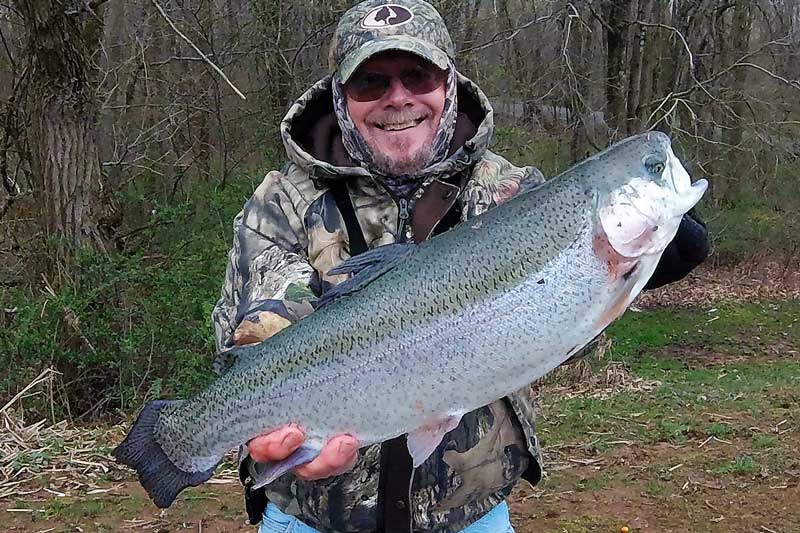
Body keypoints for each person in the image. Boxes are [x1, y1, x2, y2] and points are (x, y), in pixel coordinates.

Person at [211, 1, 710, 532]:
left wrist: (636, 265)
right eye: (371, 83)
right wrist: (256, 412)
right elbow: (263, 321)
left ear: (449, 83)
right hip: (309, 518)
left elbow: (552, 332)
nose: (397, 98)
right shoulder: (281, 202)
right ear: (340, 98)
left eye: (417, 76)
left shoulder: (515, 196)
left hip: (472, 515)